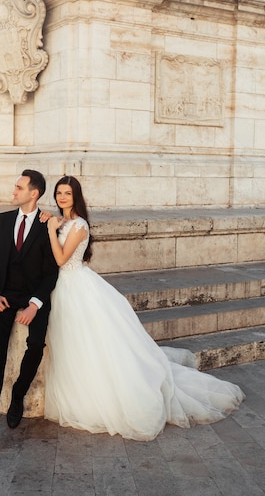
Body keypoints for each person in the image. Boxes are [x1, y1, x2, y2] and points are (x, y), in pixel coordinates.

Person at [43, 176, 245, 441]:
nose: (62, 197)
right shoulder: (64, 222)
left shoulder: (78, 225)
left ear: (76, 196)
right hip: (63, 287)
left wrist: (49, 229)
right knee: (72, 341)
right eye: (59, 193)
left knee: (86, 341)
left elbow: (60, 259)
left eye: (67, 193)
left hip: (75, 285)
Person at [0, 170, 59, 459]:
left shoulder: (47, 224)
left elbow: (50, 271)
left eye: (19, 188)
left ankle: (18, 393)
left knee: (35, 346)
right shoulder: (4, 220)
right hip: (3, 297)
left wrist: (35, 304)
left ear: (34, 193)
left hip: (33, 297)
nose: (13, 191)